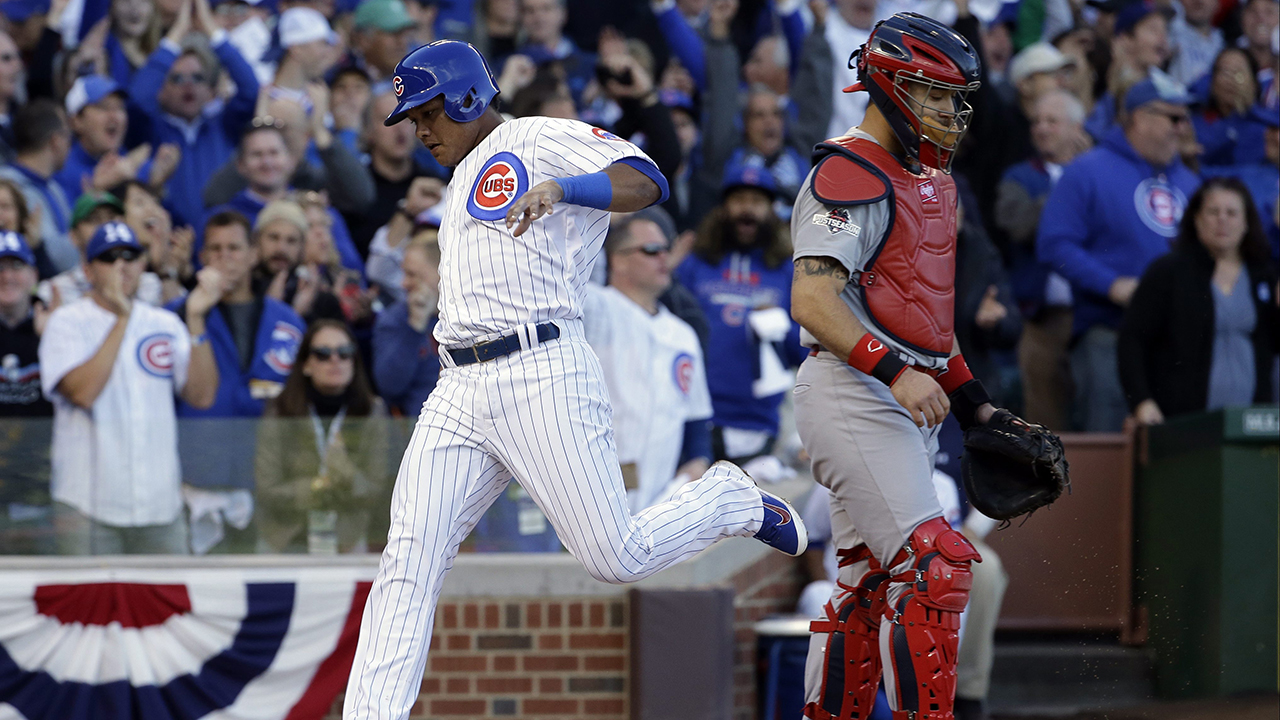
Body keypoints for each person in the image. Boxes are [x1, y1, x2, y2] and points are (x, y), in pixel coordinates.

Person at [344, 40, 808, 719]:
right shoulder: (455, 178)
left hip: (541, 369)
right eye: (413, 120)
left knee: (614, 555)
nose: (420, 131)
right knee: (408, 557)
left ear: (469, 97)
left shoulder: (536, 136)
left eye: (428, 114)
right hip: (459, 385)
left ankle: (727, 501)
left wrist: (565, 187)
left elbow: (649, 179)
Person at [786, 14, 1011, 720]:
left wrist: (976, 405)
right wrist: (896, 375)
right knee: (936, 566)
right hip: (851, 389)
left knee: (865, 584)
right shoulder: (847, 169)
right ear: (888, 85)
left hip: (892, 394)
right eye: (934, 94)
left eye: (955, 98)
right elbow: (813, 301)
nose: (949, 113)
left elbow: (926, 325)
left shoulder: (931, 181)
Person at [38, 220, 219, 554]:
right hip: (87, 506)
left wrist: (195, 321)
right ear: (88, 271)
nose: (122, 265)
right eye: (109, 258)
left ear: (142, 265)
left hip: (160, 504)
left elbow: (202, 396)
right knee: (91, 607)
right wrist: (121, 319)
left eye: (130, 256)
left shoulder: (164, 323)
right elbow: (82, 393)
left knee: (169, 605)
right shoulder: (67, 322)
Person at [1038, 75, 1201, 431]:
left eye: (1186, 118)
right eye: (1173, 118)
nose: (1183, 128)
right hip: (1108, 333)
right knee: (1108, 454)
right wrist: (1112, 285)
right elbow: (1053, 244)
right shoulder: (1087, 170)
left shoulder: (1191, 183)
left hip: (1178, 346)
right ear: (1139, 117)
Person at [168, 210, 306, 552]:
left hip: (268, 482)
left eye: (234, 248)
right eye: (215, 250)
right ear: (201, 259)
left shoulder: (287, 322)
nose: (224, 258)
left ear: (253, 254)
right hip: (194, 479)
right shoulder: (175, 316)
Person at [673, 160, 807, 464]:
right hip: (693, 415)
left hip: (756, 423)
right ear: (723, 208)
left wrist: (781, 325)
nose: (747, 209)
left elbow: (805, 354)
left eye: (757, 201)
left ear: (772, 211)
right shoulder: (695, 263)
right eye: (739, 200)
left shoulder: (789, 270)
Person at [1119, 177, 1278, 424]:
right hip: (1180, 423)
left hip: (1251, 422)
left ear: (1247, 222)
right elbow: (1132, 340)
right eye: (1213, 212)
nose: (1222, 220)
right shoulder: (1168, 271)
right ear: (1196, 218)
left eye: (1232, 213)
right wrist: (1141, 400)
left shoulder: (1264, 276)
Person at [583, 213, 713, 512]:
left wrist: (691, 475)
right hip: (591, 490)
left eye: (666, 249)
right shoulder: (596, 306)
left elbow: (696, 429)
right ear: (618, 260)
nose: (664, 257)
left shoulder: (683, 335)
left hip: (661, 501)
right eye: (652, 250)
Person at [996, 90, 1090, 430]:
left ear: (1077, 127)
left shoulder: (1100, 175)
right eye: (1036, 121)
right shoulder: (1019, 176)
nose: (1041, 129)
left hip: (1092, 314)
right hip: (1039, 320)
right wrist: (1073, 185)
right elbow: (1017, 225)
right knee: (1042, 422)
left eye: (1052, 121)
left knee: (1097, 414)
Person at [255, 319, 391, 553]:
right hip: (284, 536)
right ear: (306, 364)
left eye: (345, 352)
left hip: (346, 538)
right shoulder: (280, 410)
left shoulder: (372, 411)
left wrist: (347, 474)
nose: (335, 360)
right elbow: (266, 487)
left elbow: (379, 489)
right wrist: (319, 488)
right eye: (322, 353)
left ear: (354, 361)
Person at [128, 0, 260, 227]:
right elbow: (139, 98)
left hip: (224, 239)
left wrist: (212, 30)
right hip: (170, 237)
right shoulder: (152, 128)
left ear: (210, 89)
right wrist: (176, 33)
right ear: (162, 89)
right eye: (177, 78)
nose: (188, 86)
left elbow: (251, 89)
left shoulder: (224, 125)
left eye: (198, 78)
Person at [0, 99, 77, 276]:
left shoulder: (53, 187)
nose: (69, 144)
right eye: (68, 136)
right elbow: (56, 257)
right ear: (56, 140)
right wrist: (82, 238)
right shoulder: (6, 187)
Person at [372, 233, 440, 418]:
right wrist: (415, 326)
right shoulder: (395, 319)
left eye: (412, 275)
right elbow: (389, 386)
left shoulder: (472, 317)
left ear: (442, 272)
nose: (403, 283)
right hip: (415, 430)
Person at [0, 231, 51, 417]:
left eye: (17, 265)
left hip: (46, 444)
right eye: (0, 267)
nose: (7, 276)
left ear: (34, 275)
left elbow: (76, 394)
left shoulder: (56, 324)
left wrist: (52, 339)